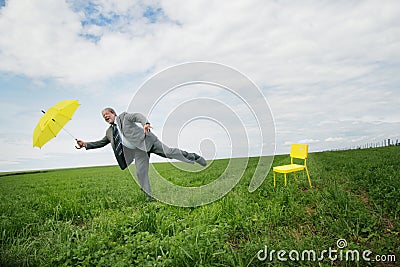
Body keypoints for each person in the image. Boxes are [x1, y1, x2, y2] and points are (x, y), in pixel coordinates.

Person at [76, 108, 207, 198]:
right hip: (138, 151)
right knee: (140, 172)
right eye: (103, 116)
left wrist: (146, 123)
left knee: (170, 153)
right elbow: (101, 142)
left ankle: (194, 157)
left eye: (107, 114)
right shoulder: (109, 132)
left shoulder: (124, 117)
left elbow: (138, 116)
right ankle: (148, 195)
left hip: (148, 140)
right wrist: (85, 144)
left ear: (113, 113)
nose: (105, 116)